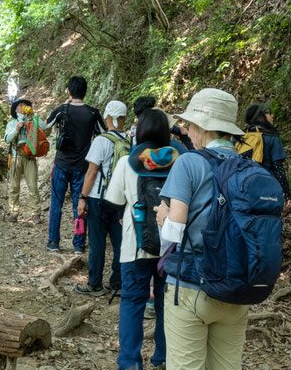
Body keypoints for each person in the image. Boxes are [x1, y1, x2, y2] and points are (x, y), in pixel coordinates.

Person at [154, 88, 249, 370]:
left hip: (191, 286)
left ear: (203, 127)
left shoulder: (189, 163)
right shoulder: (248, 166)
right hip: (236, 289)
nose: (187, 131)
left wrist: (163, 216)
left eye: (190, 125)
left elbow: (174, 231)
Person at [105, 108, 186, 370]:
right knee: (166, 304)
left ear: (139, 131)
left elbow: (115, 200)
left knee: (132, 302)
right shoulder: (181, 160)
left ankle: (129, 362)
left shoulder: (128, 162)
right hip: (172, 246)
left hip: (135, 246)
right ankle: (163, 358)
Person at [45, 76, 105, 252]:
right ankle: (78, 244)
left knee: (56, 202)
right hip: (83, 167)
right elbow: (105, 133)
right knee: (80, 205)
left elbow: (45, 126)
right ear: (85, 92)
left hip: (61, 164)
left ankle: (53, 242)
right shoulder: (93, 113)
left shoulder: (62, 110)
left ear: (69, 91)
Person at [74, 100, 128, 295]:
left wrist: (82, 197)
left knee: (97, 243)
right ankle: (117, 282)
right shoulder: (130, 140)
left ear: (108, 117)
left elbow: (91, 172)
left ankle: (94, 284)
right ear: (123, 118)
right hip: (121, 199)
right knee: (120, 242)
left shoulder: (101, 140)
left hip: (98, 198)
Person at [243, 102, 291, 210]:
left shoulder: (240, 138)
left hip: (243, 189)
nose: (272, 116)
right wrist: (287, 194)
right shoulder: (272, 137)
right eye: (268, 113)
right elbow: (278, 168)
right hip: (267, 189)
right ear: (261, 116)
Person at [3, 99, 46, 223]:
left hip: (29, 157)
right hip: (16, 157)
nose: (23, 107)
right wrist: (16, 128)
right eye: (20, 105)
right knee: (14, 187)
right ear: (15, 109)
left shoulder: (32, 121)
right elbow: (7, 140)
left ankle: (36, 214)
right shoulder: (11, 124)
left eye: (25, 105)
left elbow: (44, 127)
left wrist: (34, 115)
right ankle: (13, 212)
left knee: (33, 186)